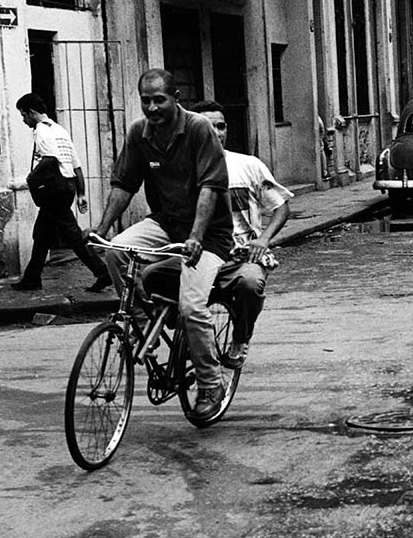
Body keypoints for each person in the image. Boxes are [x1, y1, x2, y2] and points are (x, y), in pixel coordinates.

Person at [91, 68, 235, 421]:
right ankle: (144, 326)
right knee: (116, 251)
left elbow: (210, 187)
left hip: (209, 234)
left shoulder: (199, 128)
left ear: (175, 98)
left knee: (191, 307)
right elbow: (124, 184)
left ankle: (210, 383)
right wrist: (101, 229)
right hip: (166, 223)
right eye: (146, 101)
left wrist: (196, 238)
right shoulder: (139, 132)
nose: (152, 108)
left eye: (159, 100)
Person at [185, 100, 292, 368]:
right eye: (208, 127)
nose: (217, 133)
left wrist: (263, 240)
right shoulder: (181, 168)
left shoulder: (248, 165)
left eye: (221, 126)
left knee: (250, 284)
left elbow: (281, 207)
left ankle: (241, 337)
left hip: (241, 257)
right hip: (198, 256)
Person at [11, 93, 109, 292]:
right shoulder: (60, 130)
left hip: (54, 191)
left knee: (73, 237)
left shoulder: (41, 130)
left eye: (23, 115)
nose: (23, 120)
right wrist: (81, 194)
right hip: (67, 187)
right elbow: (76, 165)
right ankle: (32, 278)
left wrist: (31, 178)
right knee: (42, 235)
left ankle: (103, 272)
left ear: (32, 112)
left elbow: (50, 159)